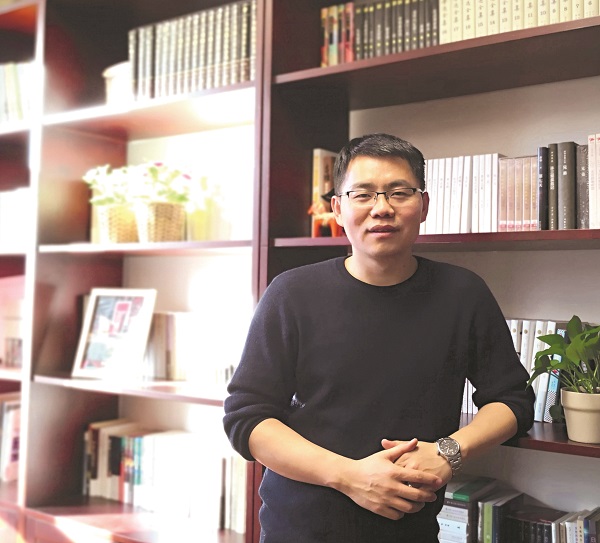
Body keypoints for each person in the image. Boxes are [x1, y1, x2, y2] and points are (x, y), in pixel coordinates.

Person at [223, 133, 535, 542]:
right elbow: (247, 418)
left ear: (424, 206)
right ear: (338, 208)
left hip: (410, 530)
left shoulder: (463, 294)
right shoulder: (291, 293)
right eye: (363, 194)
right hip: (298, 529)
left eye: (399, 193)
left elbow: (513, 401)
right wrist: (349, 476)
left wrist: (448, 452)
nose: (382, 208)